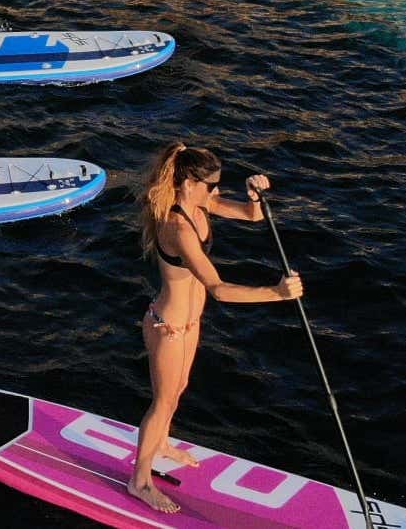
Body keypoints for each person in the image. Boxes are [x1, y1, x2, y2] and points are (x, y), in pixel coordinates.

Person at [128, 143, 303, 514]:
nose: (216, 192)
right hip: (167, 327)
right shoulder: (177, 227)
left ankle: (161, 445)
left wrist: (255, 196)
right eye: (212, 186)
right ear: (190, 184)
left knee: (178, 391)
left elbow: (252, 216)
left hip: (189, 323)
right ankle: (139, 481)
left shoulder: (200, 203)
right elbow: (219, 290)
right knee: (161, 403)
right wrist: (276, 293)